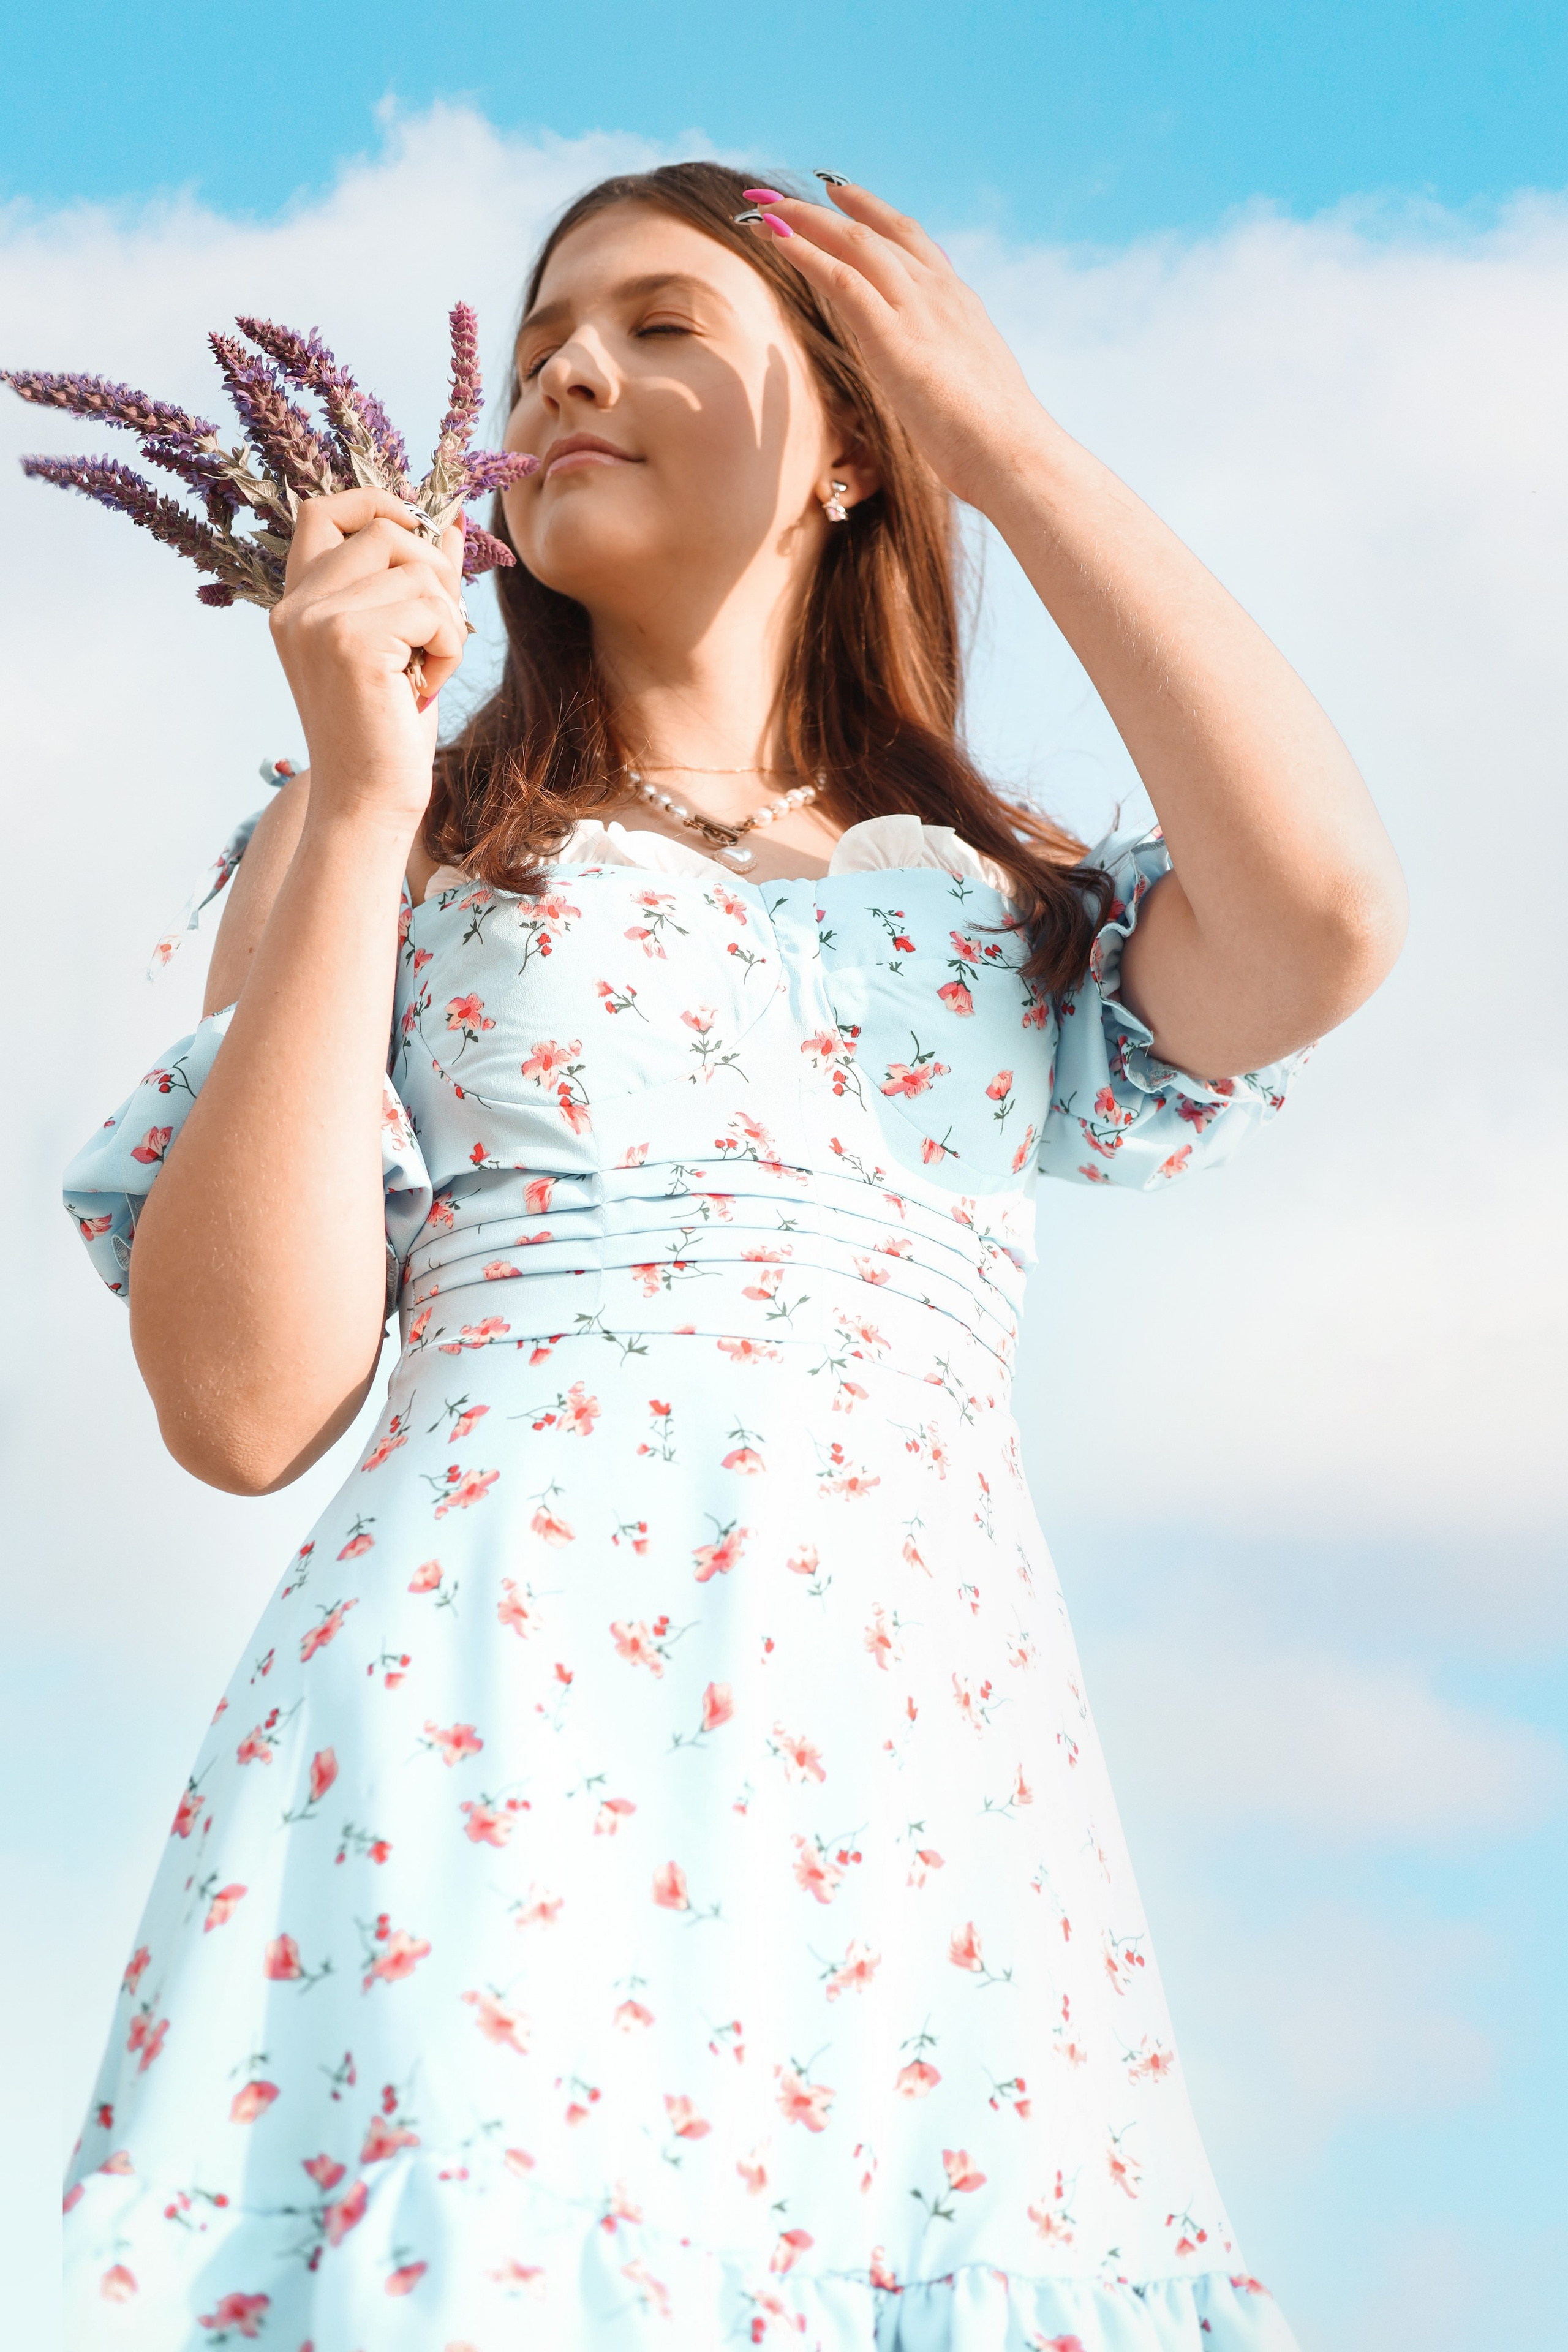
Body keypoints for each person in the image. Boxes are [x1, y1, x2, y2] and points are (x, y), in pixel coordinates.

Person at [60, 162, 1405, 2348]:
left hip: (916, 1784)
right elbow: (237, 1405)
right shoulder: (380, 835)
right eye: (548, 329)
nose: (572, 364)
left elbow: (1329, 921)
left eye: (666, 321)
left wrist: (1022, 452)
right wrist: (364, 787)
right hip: (480, 1740)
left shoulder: (1006, 902)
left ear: (854, 446)